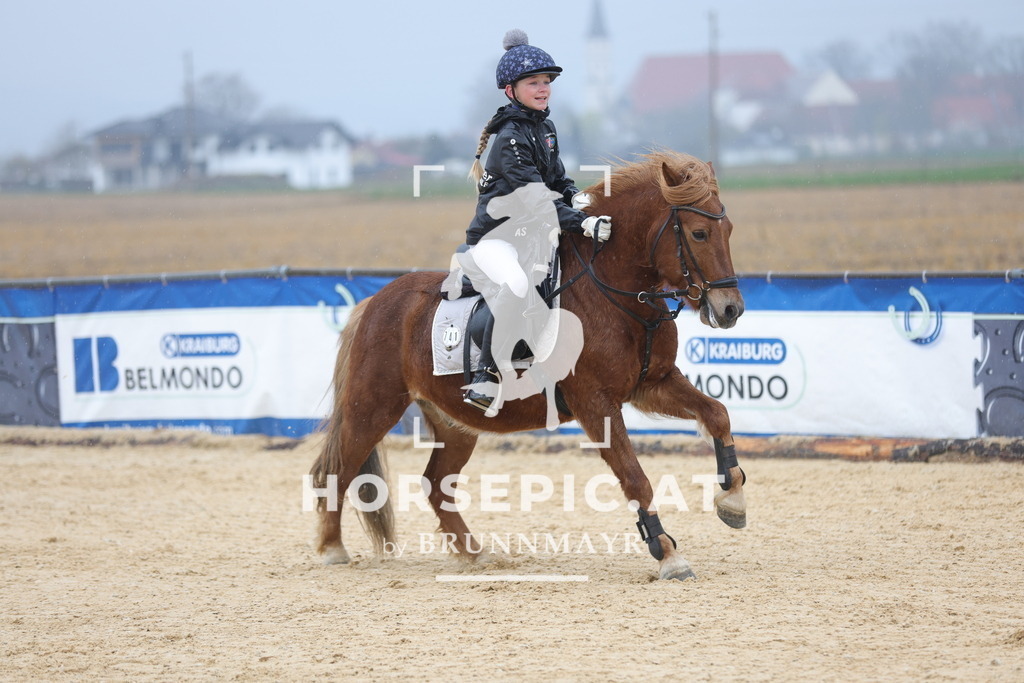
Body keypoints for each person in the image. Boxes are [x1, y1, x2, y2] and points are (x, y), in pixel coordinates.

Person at [459, 28, 612, 412]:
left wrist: (577, 198)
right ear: (510, 90)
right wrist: (581, 223)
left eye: (547, 81)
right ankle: (486, 376)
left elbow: (556, 180)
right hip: (496, 240)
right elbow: (535, 201)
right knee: (517, 283)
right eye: (533, 83)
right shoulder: (510, 138)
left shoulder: (545, 127)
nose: (543, 89)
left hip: (533, 234)